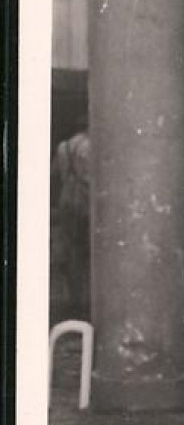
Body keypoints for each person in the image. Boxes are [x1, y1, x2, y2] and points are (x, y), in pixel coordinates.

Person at [51, 116, 91, 320]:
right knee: (90, 251)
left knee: (73, 253)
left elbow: (54, 173)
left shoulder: (63, 146)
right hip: (86, 200)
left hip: (67, 198)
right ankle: (88, 301)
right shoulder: (91, 146)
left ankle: (75, 300)